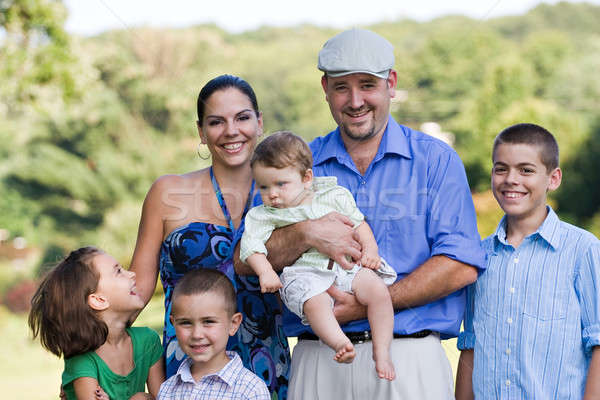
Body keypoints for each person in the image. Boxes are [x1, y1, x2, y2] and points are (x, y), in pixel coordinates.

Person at [235, 28, 486, 399]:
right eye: (341, 87)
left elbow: (460, 263)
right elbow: (246, 261)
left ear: (391, 84)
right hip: (319, 358)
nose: (355, 101)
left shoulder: (435, 159)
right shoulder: (296, 162)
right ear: (325, 89)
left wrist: (369, 302)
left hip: (409, 359)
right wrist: (306, 233)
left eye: (367, 85)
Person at [129, 74, 290, 398]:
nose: (231, 131)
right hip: (187, 367)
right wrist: (89, 358)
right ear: (201, 132)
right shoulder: (167, 192)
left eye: (242, 118)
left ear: (259, 123)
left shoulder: (289, 198)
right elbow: (132, 296)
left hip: (267, 364)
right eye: (216, 122)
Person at [455, 123, 600, 399]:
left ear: (553, 179)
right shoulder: (478, 257)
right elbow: (471, 344)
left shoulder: (583, 251)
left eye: (526, 170)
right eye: (501, 168)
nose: (511, 179)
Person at [241, 131, 397, 380]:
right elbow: (251, 248)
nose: (272, 194)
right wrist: (266, 271)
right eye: (263, 186)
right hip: (304, 273)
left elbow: (359, 224)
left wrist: (370, 250)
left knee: (378, 290)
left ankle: (382, 350)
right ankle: (339, 343)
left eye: (281, 184)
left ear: (306, 178)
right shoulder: (263, 215)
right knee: (315, 303)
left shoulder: (333, 195)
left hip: (344, 267)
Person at [28, 246, 164, 400]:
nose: (132, 274)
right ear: (99, 300)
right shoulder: (83, 361)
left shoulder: (148, 341)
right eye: (118, 272)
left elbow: (165, 397)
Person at [158, 269, 270, 400]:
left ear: (233, 324)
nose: (197, 334)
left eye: (208, 322)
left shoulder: (250, 390)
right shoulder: (168, 389)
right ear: (173, 324)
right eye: (186, 323)